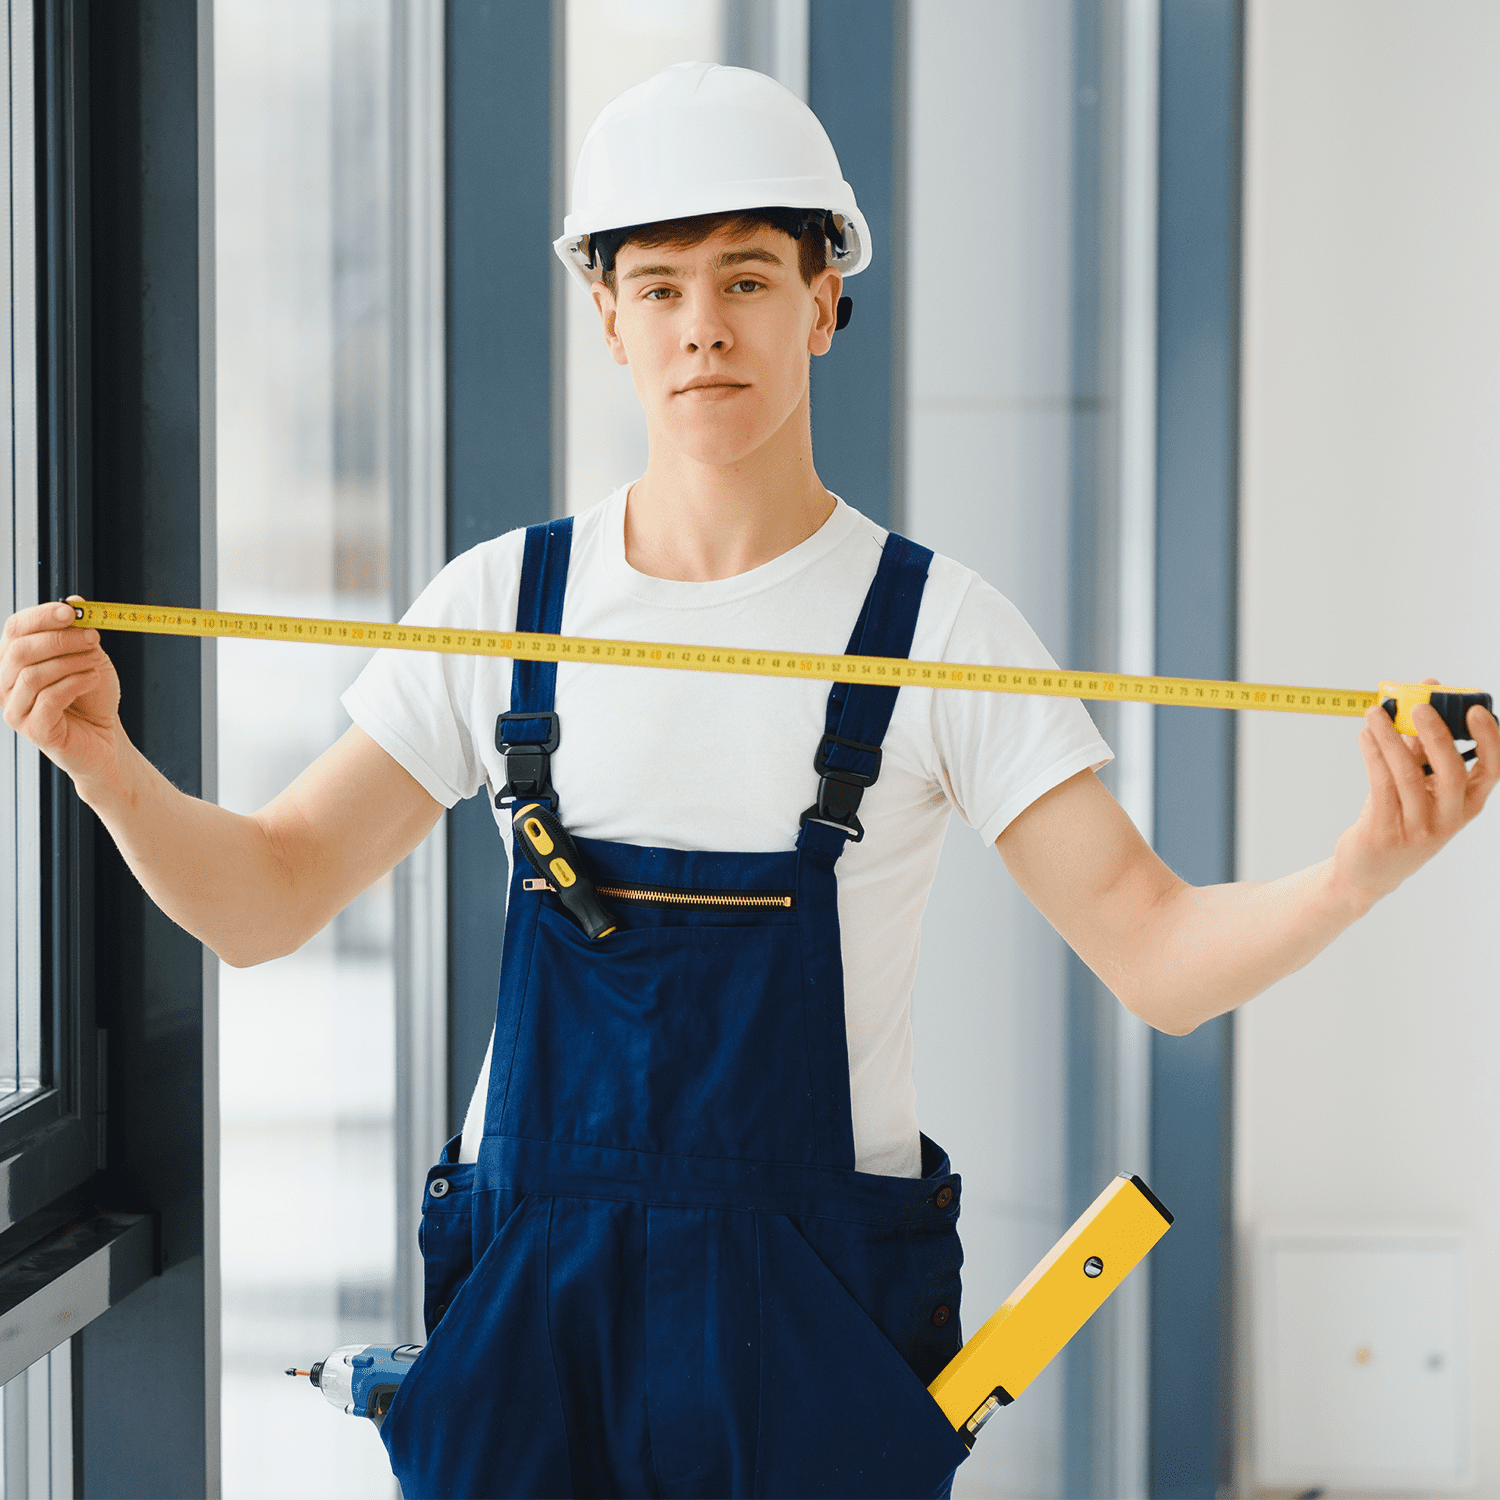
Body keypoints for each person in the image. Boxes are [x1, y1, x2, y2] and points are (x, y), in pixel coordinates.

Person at [1, 61, 1494, 1500]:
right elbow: (265, 901)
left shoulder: (937, 635)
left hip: (814, 1324)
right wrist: (104, 760)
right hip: (534, 1313)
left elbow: (1160, 960)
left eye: (747, 280)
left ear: (824, 304)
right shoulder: (499, 607)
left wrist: (1363, 862)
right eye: (658, 286)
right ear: (607, 318)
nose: (701, 326)